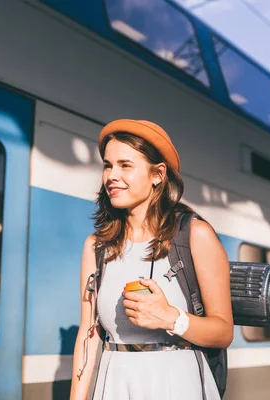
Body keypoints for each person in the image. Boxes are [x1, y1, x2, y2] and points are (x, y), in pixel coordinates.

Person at [70, 119, 233, 400]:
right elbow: (89, 333)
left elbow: (223, 332)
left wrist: (171, 318)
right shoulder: (96, 246)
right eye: (108, 165)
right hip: (115, 385)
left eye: (125, 165)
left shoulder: (195, 235)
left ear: (157, 174)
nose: (111, 175)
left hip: (178, 385)